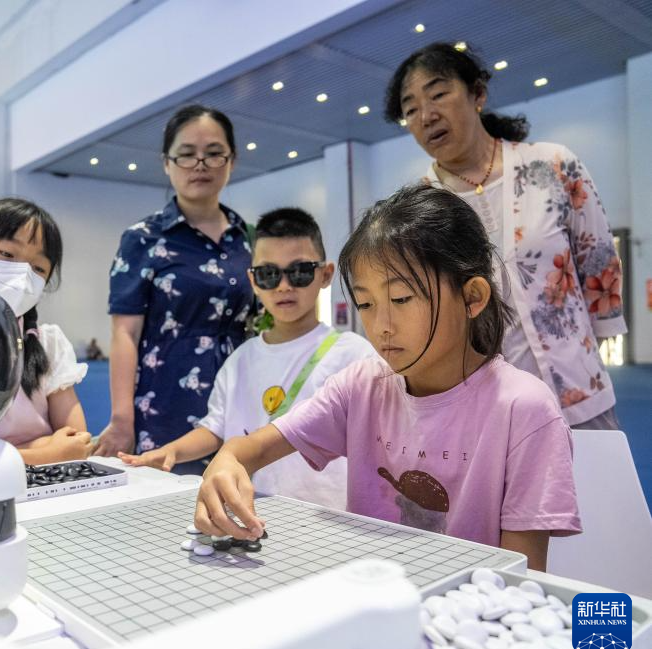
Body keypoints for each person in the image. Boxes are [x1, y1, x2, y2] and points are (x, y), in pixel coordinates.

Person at [194, 185, 580, 572]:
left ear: (472, 297)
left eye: (400, 299)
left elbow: (522, 576)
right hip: (368, 591)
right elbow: (252, 449)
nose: (381, 325)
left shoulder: (523, 410)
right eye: (365, 303)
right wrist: (227, 462)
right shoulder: (360, 387)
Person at [384, 42, 626, 429]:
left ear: (477, 94)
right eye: (410, 109)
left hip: (580, 393)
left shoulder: (552, 165)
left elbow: (597, 259)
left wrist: (589, 349)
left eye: (439, 94)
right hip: (488, 412)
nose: (426, 116)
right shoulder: (420, 209)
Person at [118, 207, 377, 509]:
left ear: (326, 274)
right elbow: (214, 429)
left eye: (300, 271)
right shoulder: (240, 359)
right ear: (253, 281)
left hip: (327, 513)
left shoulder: (355, 355)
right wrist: (172, 452)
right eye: (268, 274)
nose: (284, 286)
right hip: (252, 508)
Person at [97, 105, 253, 474]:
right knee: (168, 501)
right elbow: (125, 333)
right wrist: (122, 419)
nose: (200, 164)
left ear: (232, 161)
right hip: (165, 400)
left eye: (214, 153)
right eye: (186, 154)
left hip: (238, 396)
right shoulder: (142, 238)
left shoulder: (245, 236)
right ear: (167, 163)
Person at [0, 197, 91, 465]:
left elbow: (77, 442)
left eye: (38, 267)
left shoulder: (48, 343)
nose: (22, 273)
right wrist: (47, 451)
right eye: (7, 254)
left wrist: (12, 453)